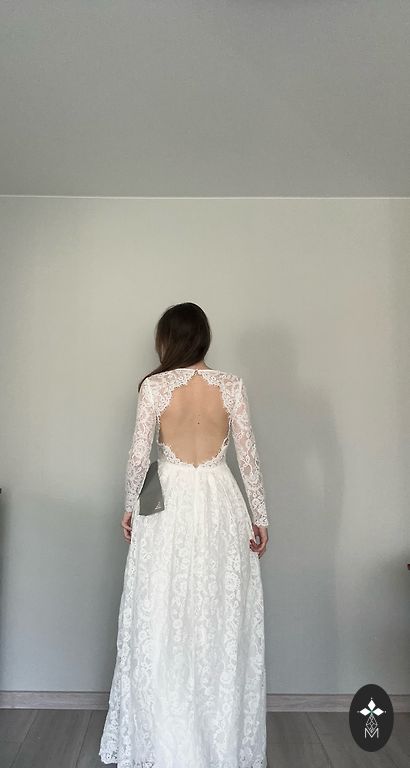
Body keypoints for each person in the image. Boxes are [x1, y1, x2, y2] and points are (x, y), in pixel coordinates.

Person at [99, 302, 269, 768]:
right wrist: (260, 516)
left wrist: (130, 506)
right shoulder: (231, 385)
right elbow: (248, 456)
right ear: (204, 337)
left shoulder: (154, 387)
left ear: (168, 340)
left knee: (162, 610)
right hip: (221, 499)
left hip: (168, 501)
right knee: (217, 614)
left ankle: (165, 739)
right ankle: (215, 743)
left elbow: (139, 456)